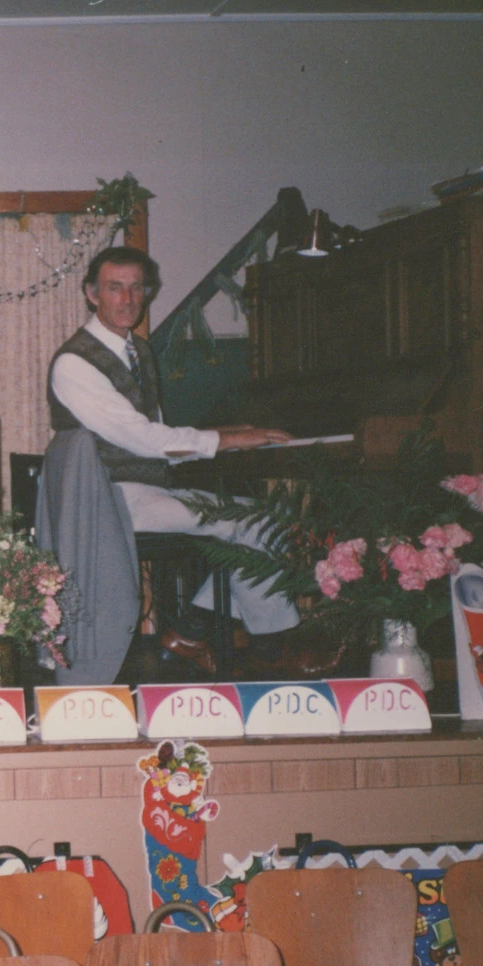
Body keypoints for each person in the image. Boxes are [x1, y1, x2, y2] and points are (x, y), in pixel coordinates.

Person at [40, 246, 301, 678]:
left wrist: (228, 440)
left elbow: (155, 436)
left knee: (262, 518)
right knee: (254, 523)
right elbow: (143, 438)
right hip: (107, 500)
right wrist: (232, 440)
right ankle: (270, 650)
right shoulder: (75, 362)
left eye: (136, 288)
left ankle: (191, 630)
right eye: (114, 288)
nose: (127, 299)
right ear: (91, 294)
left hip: (144, 491)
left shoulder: (137, 351)